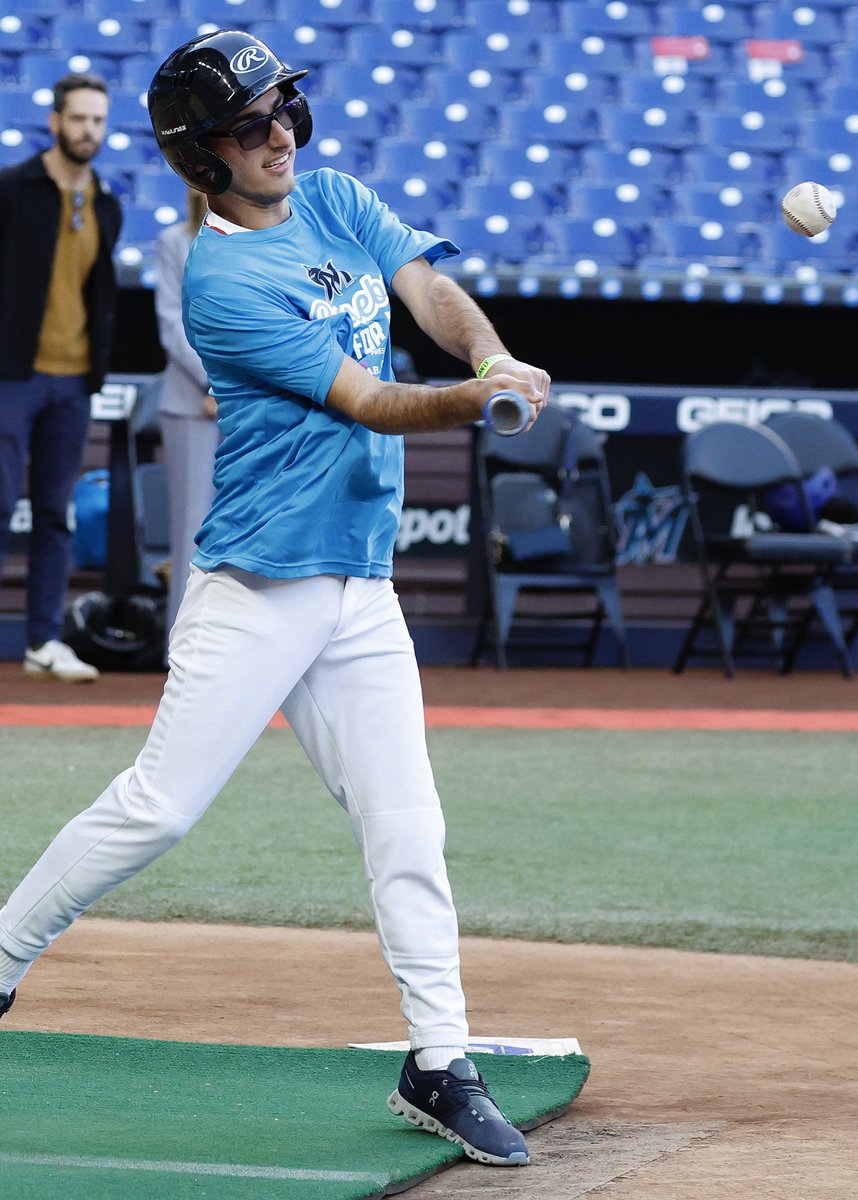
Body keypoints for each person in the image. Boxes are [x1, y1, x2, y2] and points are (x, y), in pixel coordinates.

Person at [0, 30, 549, 1168]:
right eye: (252, 126)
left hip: (358, 583)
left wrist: (488, 353)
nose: (281, 134)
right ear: (203, 157)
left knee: (408, 822)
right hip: (258, 586)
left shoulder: (335, 194)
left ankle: (439, 1062)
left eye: (285, 110)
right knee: (159, 808)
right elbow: (372, 402)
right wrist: (475, 399)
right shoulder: (222, 278)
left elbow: (427, 289)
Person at [0, 73, 123, 682]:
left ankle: (43, 640)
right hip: (11, 375)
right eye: (78, 119)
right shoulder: (13, 188)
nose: (88, 131)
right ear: (54, 121)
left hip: (73, 381)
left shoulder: (107, 201)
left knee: (56, 513)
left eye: (98, 121)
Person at [154, 187, 220, 649]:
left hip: (247, 404)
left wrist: (231, 388)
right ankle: (182, 647)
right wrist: (216, 381)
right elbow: (172, 323)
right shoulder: (173, 242)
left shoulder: (249, 237)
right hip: (190, 405)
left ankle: (231, 647)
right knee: (191, 530)